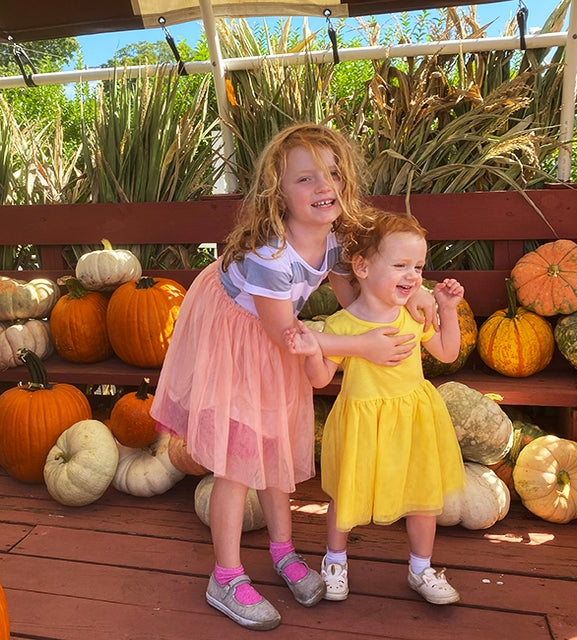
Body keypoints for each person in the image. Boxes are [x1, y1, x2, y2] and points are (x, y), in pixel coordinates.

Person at [149, 123, 434, 631]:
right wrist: (359, 347)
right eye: (305, 179)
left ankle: (282, 551)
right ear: (277, 195)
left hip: (284, 338)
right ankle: (226, 576)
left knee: (274, 440)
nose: (324, 186)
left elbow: (356, 298)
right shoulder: (271, 257)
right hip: (236, 339)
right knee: (237, 458)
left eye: (333, 173)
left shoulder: (341, 239)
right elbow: (284, 335)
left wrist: (413, 294)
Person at [286, 211, 466, 606]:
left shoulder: (414, 314)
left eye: (418, 266)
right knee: (346, 495)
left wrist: (447, 309)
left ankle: (422, 569)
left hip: (414, 419)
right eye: (400, 265)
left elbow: (448, 352)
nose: (413, 275)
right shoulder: (341, 324)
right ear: (363, 267)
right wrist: (310, 351)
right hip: (362, 423)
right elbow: (319, 380)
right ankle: (334, 562)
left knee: (422, 496)